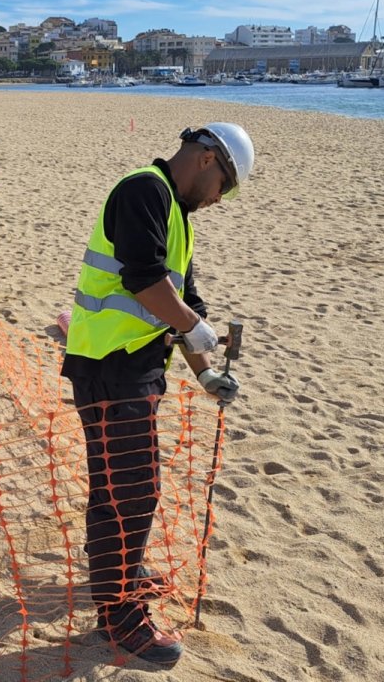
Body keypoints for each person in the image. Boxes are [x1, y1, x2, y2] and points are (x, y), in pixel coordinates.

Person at [62, 122, 255, 664]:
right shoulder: (143, 190)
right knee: (129, 492)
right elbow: (144, 281)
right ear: (207, 158)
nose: (218, 200)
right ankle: (119, 616)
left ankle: (121, 570)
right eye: (224, 187)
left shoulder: (176, 214)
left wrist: (205, 373)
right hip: (109, 367)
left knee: (127, 488)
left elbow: (182, 302)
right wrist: (193, 327)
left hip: (136, 369)